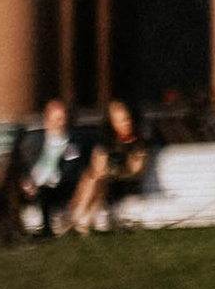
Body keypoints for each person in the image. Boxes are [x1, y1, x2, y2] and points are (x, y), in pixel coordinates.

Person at [63, 99, 147, 235]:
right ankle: (82, 224)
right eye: (119, 120)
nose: (125, 124)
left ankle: (76, 219)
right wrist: (105, 171)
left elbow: (135, 171)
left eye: (126, 119)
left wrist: (114, 171)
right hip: (105, 181)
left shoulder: (137, 142)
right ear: (112, 122)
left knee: (93, 179)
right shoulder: (106, 141)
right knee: (94, 179)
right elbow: (97, 164)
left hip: (125, 183)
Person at [20, 97, 86, 234]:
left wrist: (54, 179)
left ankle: (46, 227)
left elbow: (71, 169)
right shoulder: (35, 140)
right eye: (56, 119)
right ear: (47, 119)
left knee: (46, 190)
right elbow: (24, 163)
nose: (60, 123)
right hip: (33, 183)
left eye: (62, 118)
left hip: (56, 185)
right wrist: (26, 180)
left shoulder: (71, 144)